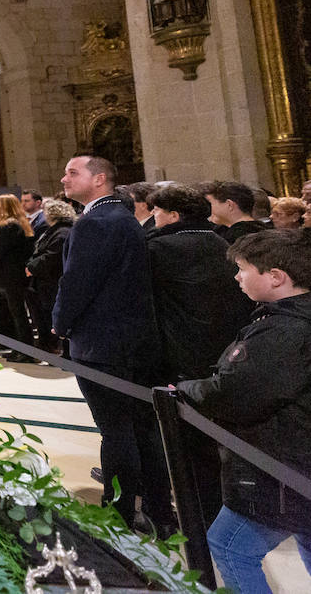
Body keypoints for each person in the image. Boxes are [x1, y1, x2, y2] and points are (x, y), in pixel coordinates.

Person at [176, 229, 311, 593]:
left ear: (276, 277)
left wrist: (187, 391)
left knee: (229, 545)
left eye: (243, 268)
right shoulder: (287, 319)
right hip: (295, 463)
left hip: (282, 466)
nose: (237, 276)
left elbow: (238, 393)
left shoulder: (284, 332)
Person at [54, 155, 175, 535]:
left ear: (100, 178)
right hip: (134, 342)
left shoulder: (95, 222)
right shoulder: (122, 217)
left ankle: (120, 512)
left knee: (117, 431)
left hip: (103, 345)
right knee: (141, 429)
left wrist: (60, 324)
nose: (64, 178)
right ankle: (159, 507)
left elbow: (77, 283)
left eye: (73, 172)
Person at [147, 184, 255, 527]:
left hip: (181, 355)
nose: (153, 218)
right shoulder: (221, 242)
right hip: (226, 351)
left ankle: (201, 519)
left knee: (191, 447)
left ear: (174, 215)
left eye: (157, 212)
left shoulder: (158, 248)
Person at [0, 194, 38, 361]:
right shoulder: (21, 224)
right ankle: (21, 348)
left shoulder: (8, 226)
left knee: (18, 314)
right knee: (18, 313)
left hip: (11, 275)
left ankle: (25, 351)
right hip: (16, 274)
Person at [25, 198, 74, 355]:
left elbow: (51, 256)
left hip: (53, 281)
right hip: (45, 281)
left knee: (52, 316)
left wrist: (32, 267)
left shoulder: (62, 232)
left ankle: (60, 350)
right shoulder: (54, 230)